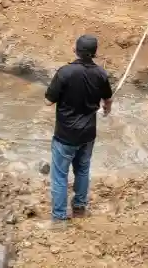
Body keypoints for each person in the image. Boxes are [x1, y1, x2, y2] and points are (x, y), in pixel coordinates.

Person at [43, 35, 113, 226]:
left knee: (59, 176)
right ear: (94, 53)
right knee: (82, 171)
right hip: (88, 134)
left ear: (76, 50)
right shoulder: (101, 74)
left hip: (65, 135)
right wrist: (106, 108)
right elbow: (108, 99)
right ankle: (79, 209)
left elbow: (49, 101)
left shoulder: (65, 72)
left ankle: (59, 216)